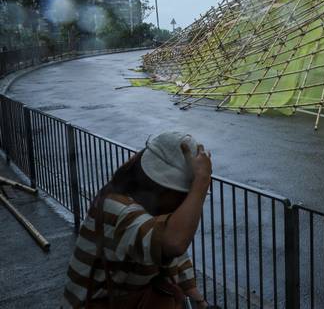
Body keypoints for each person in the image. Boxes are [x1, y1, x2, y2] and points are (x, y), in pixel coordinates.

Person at [61, 131, 213, 308]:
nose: (184, 201)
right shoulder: (118, 209)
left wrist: (200, 303)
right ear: (161, 187)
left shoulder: (150, 210)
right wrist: (201, 182)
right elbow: (173, 243)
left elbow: (176, 258)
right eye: (182, 194)